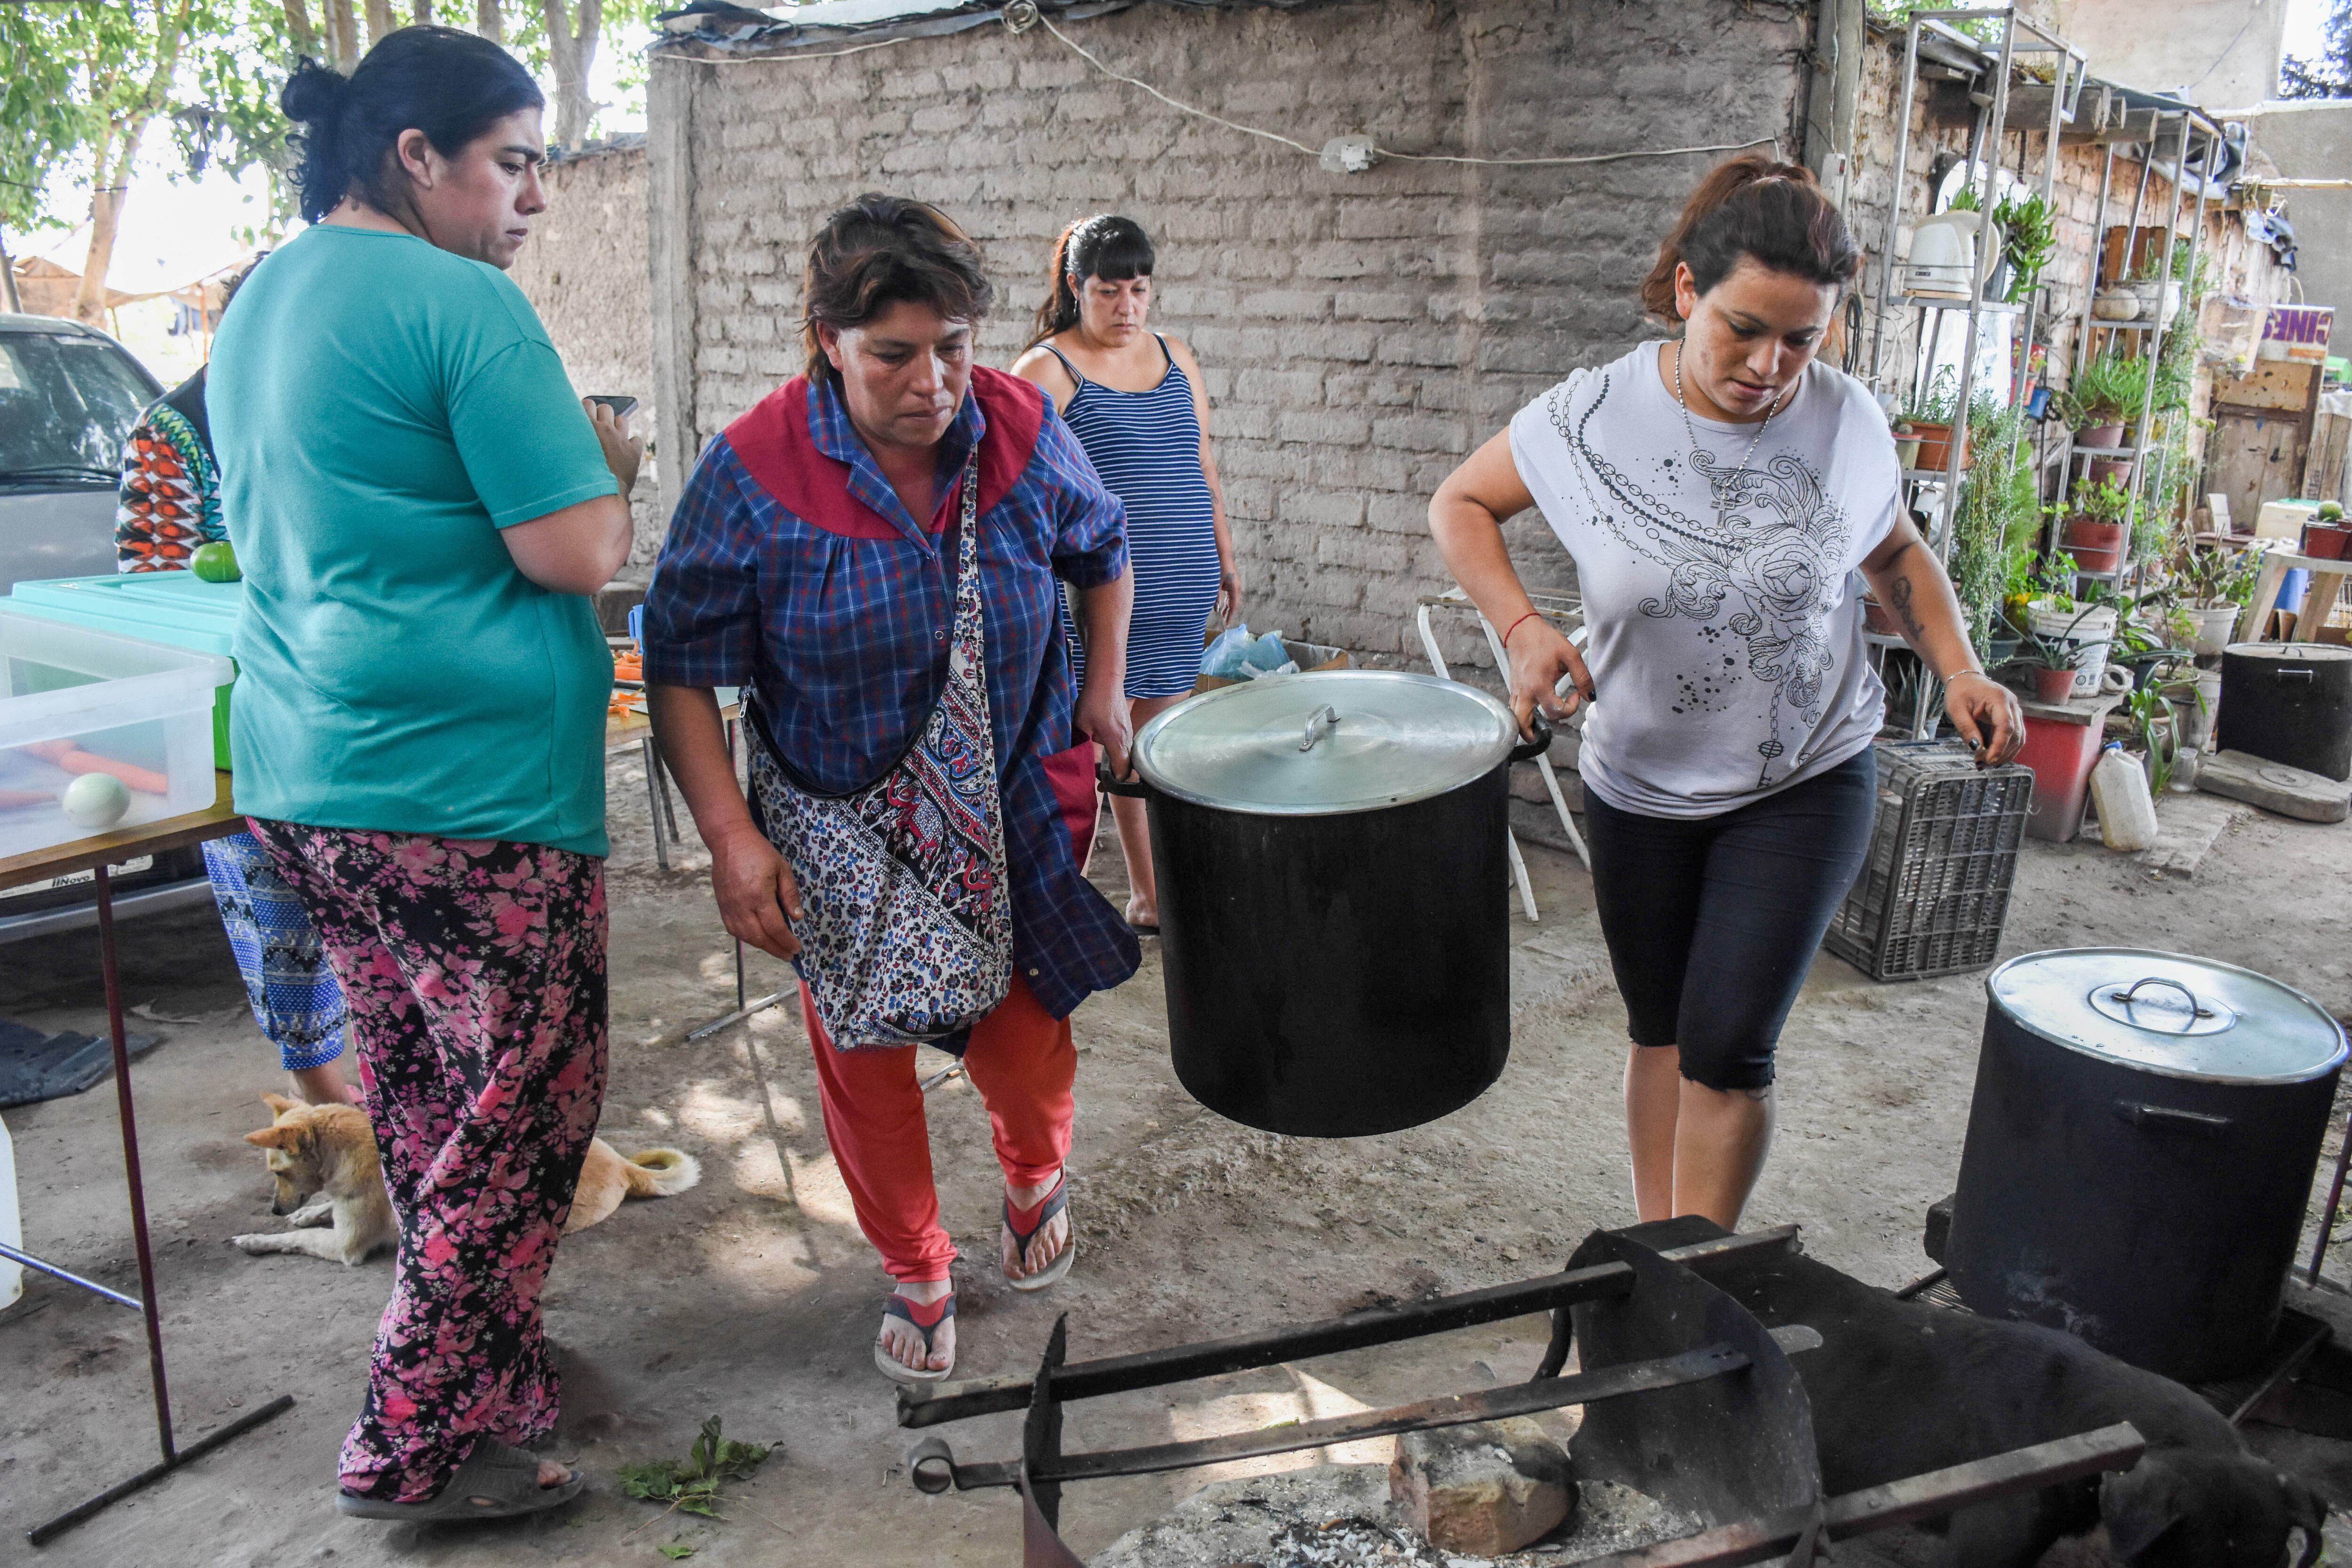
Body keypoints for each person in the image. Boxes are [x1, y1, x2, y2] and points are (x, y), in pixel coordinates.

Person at [207, 27, 641, 1522]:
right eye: (514, 163)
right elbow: (578, 549)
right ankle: (411, 1442)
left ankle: (494, 1364)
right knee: (526, 1110)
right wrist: (607, 468)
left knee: (424, 1088)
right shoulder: (461, 303)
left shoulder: (262, 296)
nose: (533, 200)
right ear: (418, 158)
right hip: (460, 793)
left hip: (308, 770)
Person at [1428, 155, 2024, 1232]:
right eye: (1743, 328)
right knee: (1660, 1031)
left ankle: (1700, 1278)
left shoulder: (1847, 422)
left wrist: (1959, 664)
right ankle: (1658, 1248)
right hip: (1637, 783)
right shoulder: (1587, 419)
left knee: (1726, 1046)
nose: (1770, 366)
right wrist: (1519, 630)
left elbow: (1892, 547)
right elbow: (1461, 501)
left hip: (1805, 775)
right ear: (1687, 293)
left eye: (1802, 338)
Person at [642, 194, 1139, 1385]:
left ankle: (1032, 1175)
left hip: (1014, 793)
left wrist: (1105, 689)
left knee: (1024, 1040)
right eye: (894, 355)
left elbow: (1102, 547)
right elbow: (681, 668)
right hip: (836, 822)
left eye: (954, 345)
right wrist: (729, 835)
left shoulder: (1018, 423)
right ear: (827, 340)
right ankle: (915, 1260)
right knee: (865, 1054)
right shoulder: (755, 468)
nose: (934, 382)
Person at [114, 263, 358, 1110]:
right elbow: (150, 595)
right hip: (237, 708)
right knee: (275, 904)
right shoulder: (171, 438)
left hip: (343, 699)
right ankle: (324, 1094)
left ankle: (387, 1094)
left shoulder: (321, 411)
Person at [1010, 215, 1237, 932]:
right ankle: (1123, 892)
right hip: (1102, 596)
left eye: (1139, 290)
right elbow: (1016, 490)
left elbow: (1201, 464)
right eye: (1110, 292)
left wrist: (1226, 558)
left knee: (1158, 742)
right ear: (1076, 288)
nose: (1128, 308)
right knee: (1106, 741)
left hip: (1182, 582)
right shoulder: (1046, 371)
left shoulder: (1177, 356)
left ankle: (1150, 889)